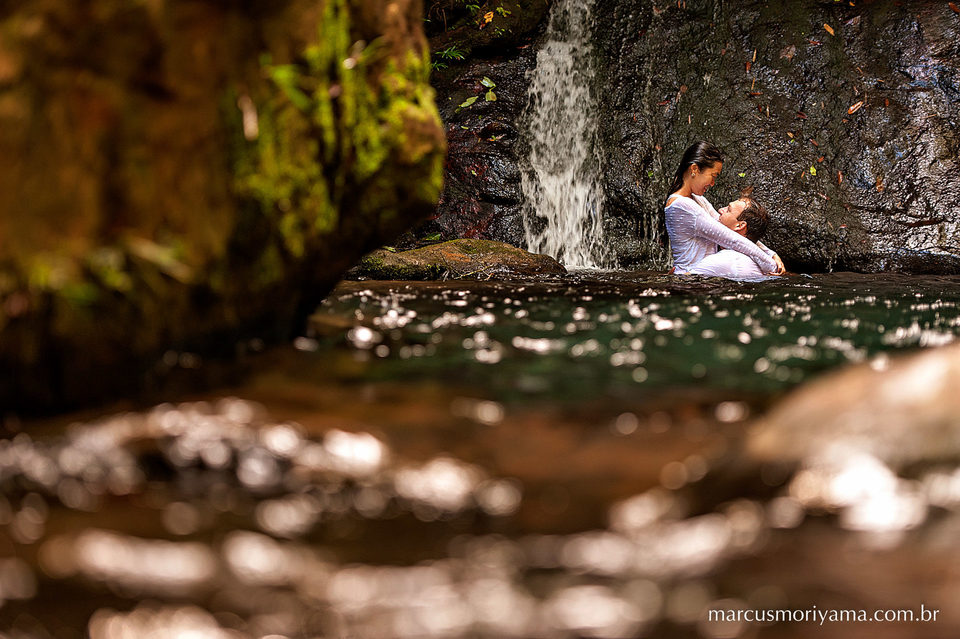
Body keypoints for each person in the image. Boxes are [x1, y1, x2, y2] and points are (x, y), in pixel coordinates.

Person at [663, 142, 785, 275]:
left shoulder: (698, 200)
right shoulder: (682, 206)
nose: (713, 183)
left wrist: (771, 254)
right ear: (694, 169)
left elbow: (728, 230)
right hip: (690, 278)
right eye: (713, 176)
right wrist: (771, 266)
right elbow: (730, 239)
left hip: (706, 277)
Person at [688, 196, 778, 280]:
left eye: (728, 210)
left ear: (740, 225)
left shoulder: (726, 260)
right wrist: (772, 254)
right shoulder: (749, 258)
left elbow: (686, 281)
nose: (720, 210)